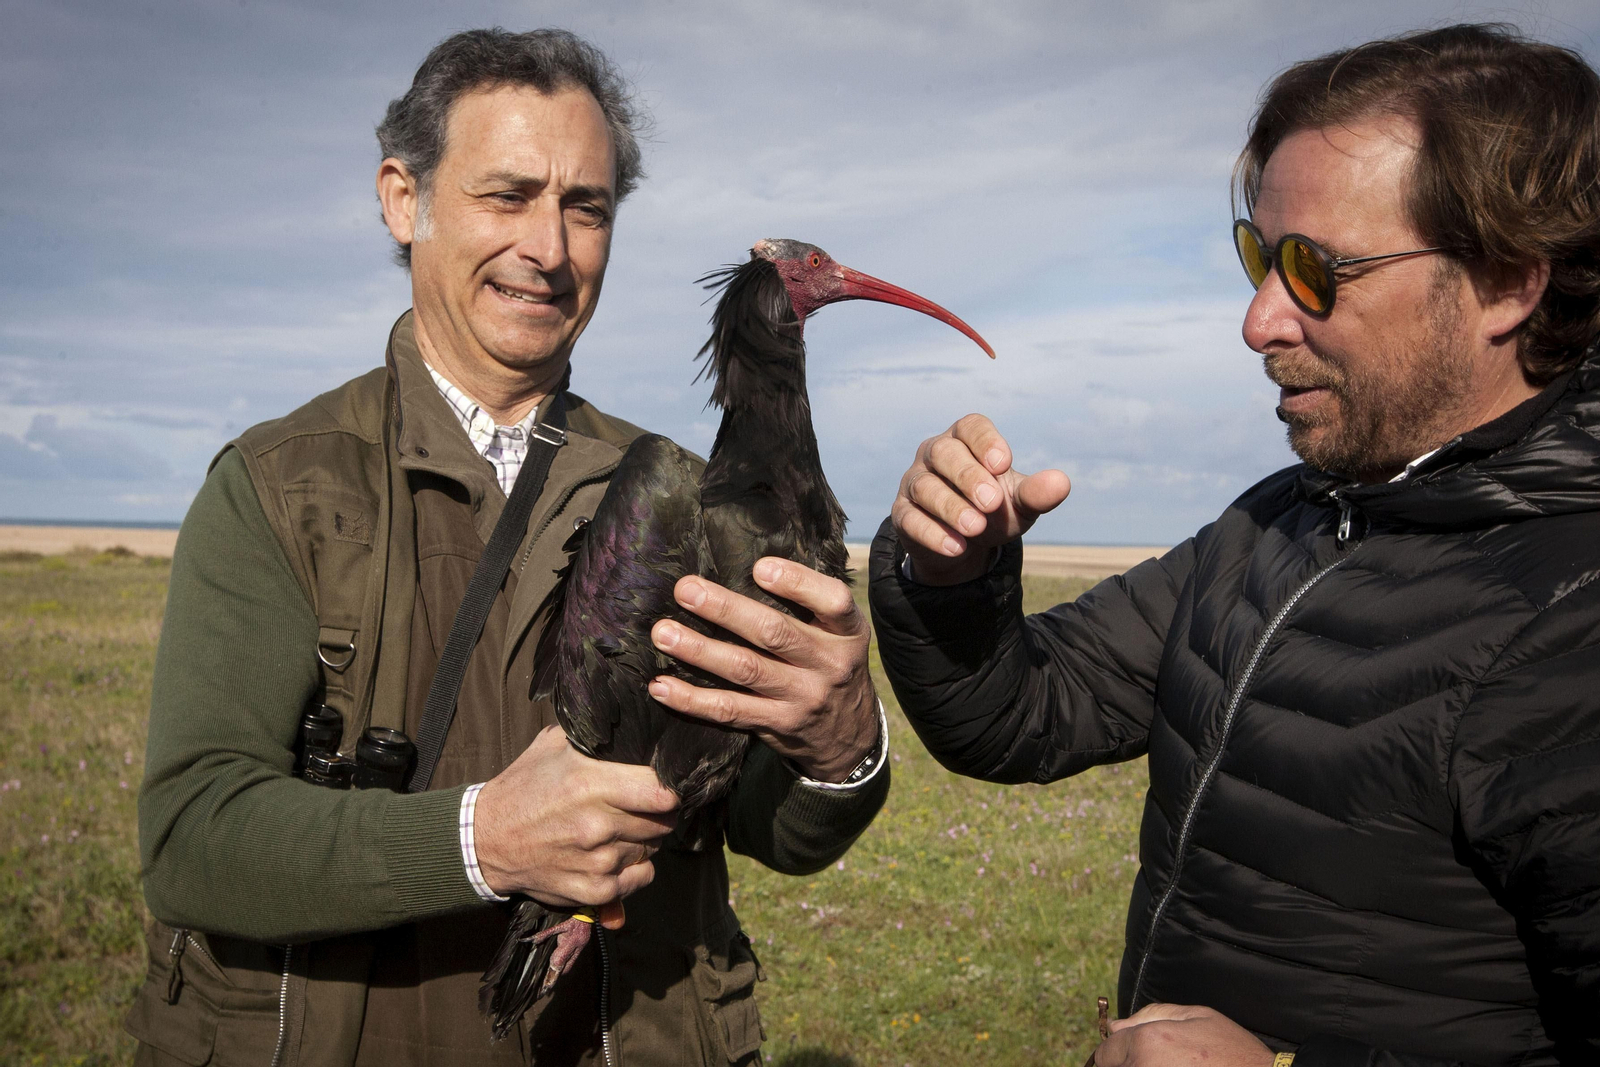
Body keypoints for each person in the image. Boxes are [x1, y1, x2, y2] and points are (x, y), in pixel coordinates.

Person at [125, 28, 887, 1066]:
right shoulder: (279, 489)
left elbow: (765, 825)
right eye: (507, 195)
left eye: (587, 208)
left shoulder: (682, 490)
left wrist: (842, 748)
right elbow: (190, 839)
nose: (550, 247)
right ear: (405, 199)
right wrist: (483, 837)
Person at [869, 24, 1600, 1067]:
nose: (1259, 320)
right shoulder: (1287, 518)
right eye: (1260, 256)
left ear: (1508, 282)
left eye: (1315, 269)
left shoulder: (1574, 617)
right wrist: (951, 574)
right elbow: (1020, 715)